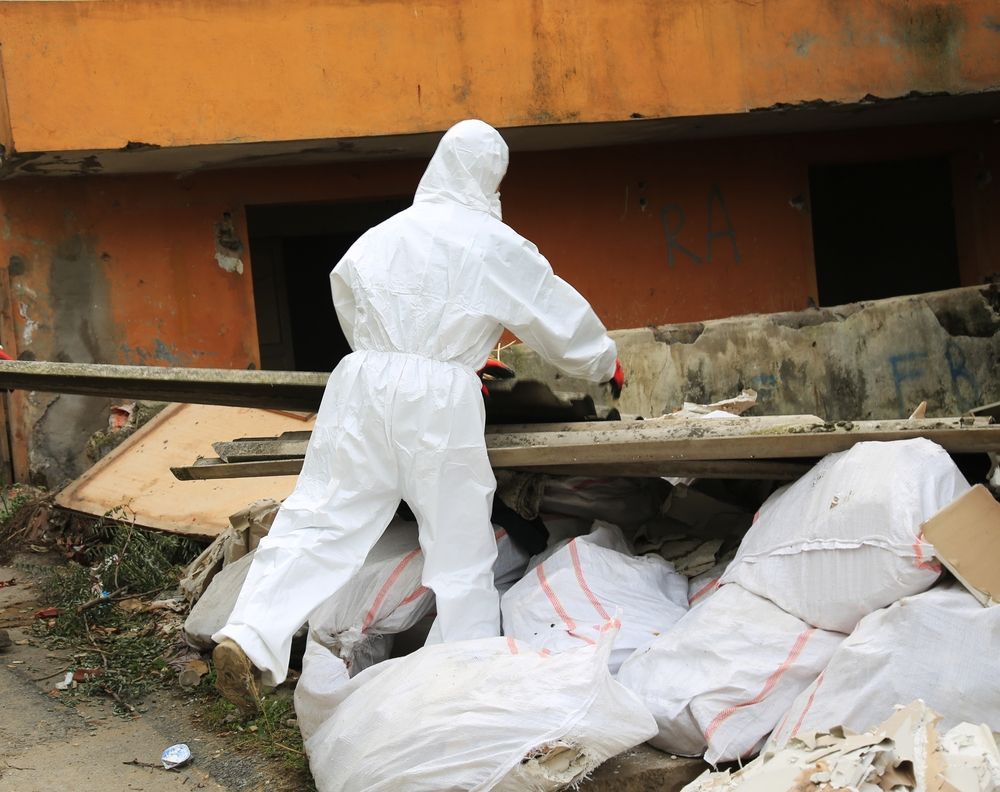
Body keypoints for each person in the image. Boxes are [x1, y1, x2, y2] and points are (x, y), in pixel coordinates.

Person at [212, 119, 624, 712]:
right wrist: (603, 362)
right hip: (436, 399)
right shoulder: (493, 242)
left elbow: (346, 294)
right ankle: (464, 676)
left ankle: (249, 635)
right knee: (458, 542)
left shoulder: (381, 235)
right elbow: (553, 313)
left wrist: (401, 351)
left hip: (361, 381)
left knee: (320, 519)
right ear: (492, 177)